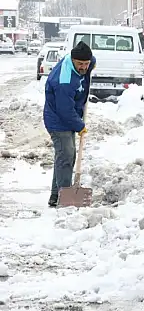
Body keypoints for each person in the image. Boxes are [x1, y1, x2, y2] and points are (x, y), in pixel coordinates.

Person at [44, 41, 96, 207]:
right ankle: (65, 197)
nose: (83, 67)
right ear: (72, 60)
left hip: (68, 116)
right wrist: (80, 126)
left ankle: (56, 196)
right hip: (58, 120)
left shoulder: (85, 63)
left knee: (65, 157)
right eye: (80, 64)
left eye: (86, 64)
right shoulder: (64, 80)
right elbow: (64, 110)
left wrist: (91, 65)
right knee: (66, 156)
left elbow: (92, 60)